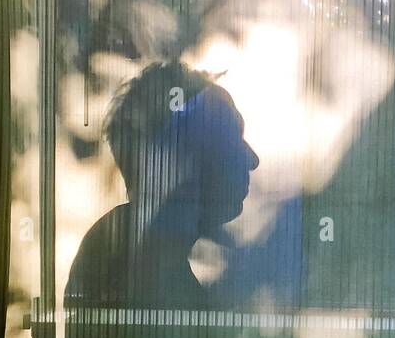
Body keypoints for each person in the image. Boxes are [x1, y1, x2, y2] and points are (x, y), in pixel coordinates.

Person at [65, 61, 259, 310]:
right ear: (183, 154)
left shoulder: (123, 243)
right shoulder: (142, 261)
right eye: (232, 137)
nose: (252, 159)